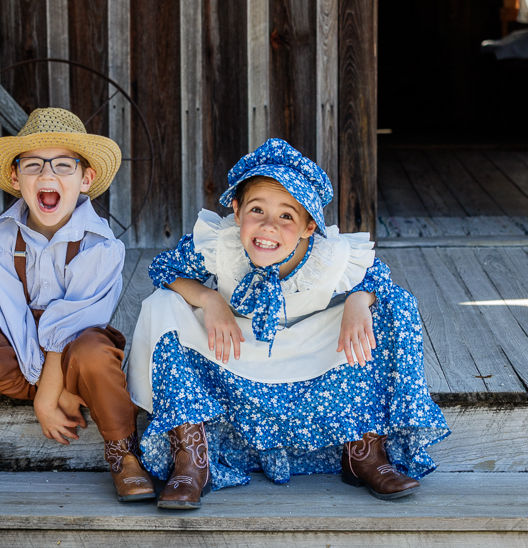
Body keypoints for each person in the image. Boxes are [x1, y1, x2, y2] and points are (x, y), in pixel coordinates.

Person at [127, 138, 450, 509]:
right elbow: (163, 269)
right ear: (236, 210)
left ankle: (365, 450)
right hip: (234, 351)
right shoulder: (220, 244)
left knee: (394, 305)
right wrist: (209, 298)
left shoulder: (332, 257)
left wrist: (360, 299)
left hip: (310, 354)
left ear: (309, 225)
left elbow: (379, 277)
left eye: (286, 216)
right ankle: (191, 460)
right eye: (257, 210)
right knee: (162, 304)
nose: (268, 227)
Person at [0, 108, 155, 502]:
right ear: (14, 177)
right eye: (33, 165)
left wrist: (51, 393)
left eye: (63, 165)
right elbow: (14, 319)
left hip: (75, 357)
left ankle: (124, 454)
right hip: (21, 355)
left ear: (86, 178)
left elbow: (71, 323)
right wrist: (42, 386)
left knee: (94, 352)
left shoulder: (101, 244)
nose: (47, 175)